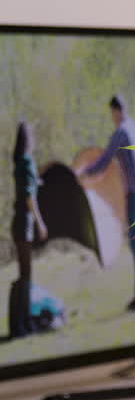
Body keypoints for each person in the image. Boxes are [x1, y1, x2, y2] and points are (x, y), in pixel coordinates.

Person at [77, 94, 135, 311]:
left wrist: (84, 173)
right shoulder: (133, 127)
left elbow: (105, 161)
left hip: (134, 194)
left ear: (116, 111)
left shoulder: (121, 133)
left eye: (112, 114)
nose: (112, 118)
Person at [10, 121, 49, 338]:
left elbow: (28, 186)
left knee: (23, 276)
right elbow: (28, 197)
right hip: (23, 226)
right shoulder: (26, 162)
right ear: (28, 139)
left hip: (17, 224)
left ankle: (20, 324)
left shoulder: (19, 162)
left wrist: (39, 182)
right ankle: (22, 325)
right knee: (26, 277)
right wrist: (40, 223)